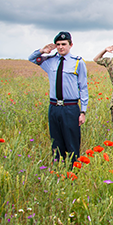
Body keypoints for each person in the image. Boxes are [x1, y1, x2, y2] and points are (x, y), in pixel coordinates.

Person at [28, 31, 88, 166]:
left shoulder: (78, 62)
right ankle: (58, 170)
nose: (61, 47)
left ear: (70, 45)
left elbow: (83, 88)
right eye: (58, 44)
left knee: (72, 142)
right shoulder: (50, 61)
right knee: (56, 141)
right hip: (54, 107)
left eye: (64, 44)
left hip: (71, 107)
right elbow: (31, 59)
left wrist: (83, 111)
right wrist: (42, 50)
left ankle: (73, 171)